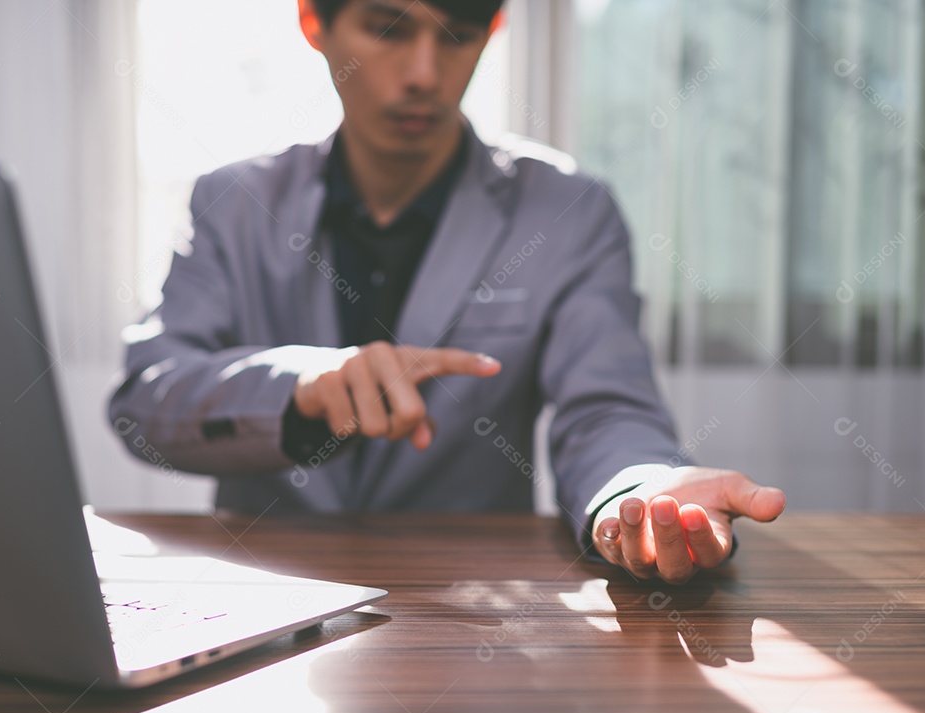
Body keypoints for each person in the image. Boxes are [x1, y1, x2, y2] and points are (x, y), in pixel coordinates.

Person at [109, 0, 786, 584]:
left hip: (475, 619)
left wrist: (639, 492)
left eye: (457, 33)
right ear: (314, 21)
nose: (425, 75)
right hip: (265, 603)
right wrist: (300, 388)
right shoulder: (232, 203)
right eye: (387, 28)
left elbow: (607, 407)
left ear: (492, 29)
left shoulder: (566, 211)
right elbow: (147, 400)